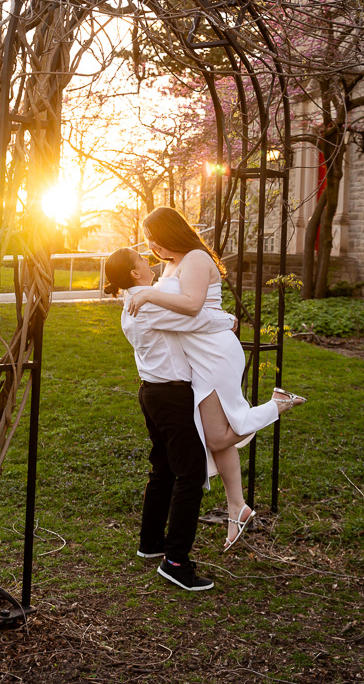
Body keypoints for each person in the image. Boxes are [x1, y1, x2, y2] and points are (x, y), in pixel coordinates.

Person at [125, 206, 306, 549]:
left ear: (170, 233)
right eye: (149, 242)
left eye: (156, 239)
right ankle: (237, 507)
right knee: (216, 436)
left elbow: (192, 305)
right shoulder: (172, 262)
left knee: (219, 434)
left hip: (215, 351)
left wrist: (147, 294)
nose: (153, 248)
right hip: (197, 352)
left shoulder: (194, 256)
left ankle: (276, 405)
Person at [104, 246, 239, 591]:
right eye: (142, 261)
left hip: (153, 393)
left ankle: (151, 543)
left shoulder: (137, 301)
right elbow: (196, 319)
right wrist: (230, 320)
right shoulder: (145, 304)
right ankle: (176, 562)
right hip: (169, 395)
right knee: (190, 474)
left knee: (163, 469)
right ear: (135, 275)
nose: (150, 264)